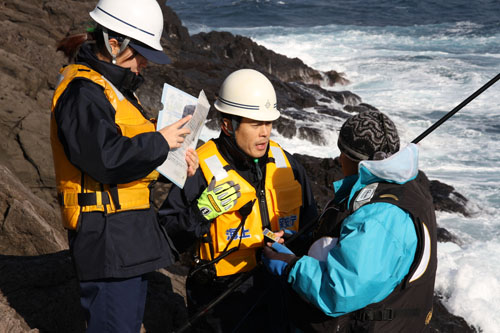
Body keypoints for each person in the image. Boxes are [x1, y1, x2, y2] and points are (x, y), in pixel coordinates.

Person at [50, 0, 199, 331]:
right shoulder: (81, 92)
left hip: (128, 238)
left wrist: (174, 162)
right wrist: (161, 143)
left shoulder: (116, 90)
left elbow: (128, 158)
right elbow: (105, 157)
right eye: (140, 52)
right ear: (113, 43)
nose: (145, 62)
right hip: (107, 241)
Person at [159, 68, 318, 332]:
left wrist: (293, 240)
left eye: (268, 123)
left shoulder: (288, 165)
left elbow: (313, 227)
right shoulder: (199, 168)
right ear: (227, 124)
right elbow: (166, 238)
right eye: (255, 124)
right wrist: (200, 214)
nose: (265, 132)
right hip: (221, 303)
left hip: (279, 295)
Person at [262, 110, 437, 332]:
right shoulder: (407, 188)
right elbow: (354, 249)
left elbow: (340, 291)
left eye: (342, 152)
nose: (338, 159)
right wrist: (300, 242)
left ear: (353, 159)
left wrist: (290, 266)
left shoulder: (379, 215)